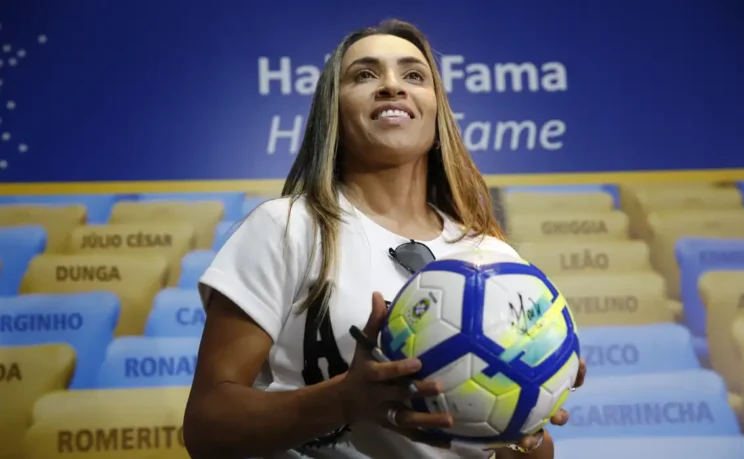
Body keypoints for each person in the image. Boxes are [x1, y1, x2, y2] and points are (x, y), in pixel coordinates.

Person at [183, 18, 586, 459]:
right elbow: (206, 428)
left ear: (437, 112)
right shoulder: (286, 227)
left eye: (413, 75)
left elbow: (520, 453)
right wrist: (345, 399)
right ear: (334, 112)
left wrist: (530, 416)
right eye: (364, 75)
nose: (392, 86)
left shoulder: (494, 258)